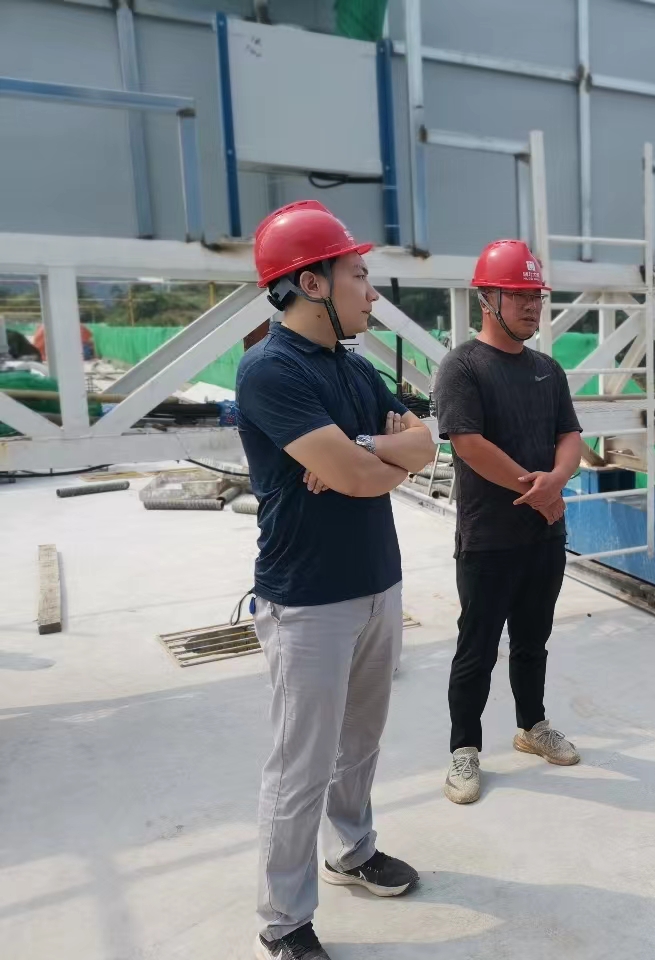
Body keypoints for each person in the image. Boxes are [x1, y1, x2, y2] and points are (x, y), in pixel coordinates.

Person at [236, 200, 436, 960]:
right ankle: (284, 919)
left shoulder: (354, 367)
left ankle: (351, 850)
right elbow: (363, 473)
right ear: (311, 283)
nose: (371, 292)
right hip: (307, 599)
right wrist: (369, 461)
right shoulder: (269, 370)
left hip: (378, 581)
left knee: (360, 741)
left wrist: (362, 455)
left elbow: (425, 446)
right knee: (301, 764)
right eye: (358, 275)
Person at [432, 238, 585, 805]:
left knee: (533, 639)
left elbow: (569, 435)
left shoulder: (548, 369)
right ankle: (464, 748)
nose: (530, 306)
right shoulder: (463, 366)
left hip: (544, 536)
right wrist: (538, 492)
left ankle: (531, 725)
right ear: (486, 299)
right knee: (476, 647)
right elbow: (468, 444)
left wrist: (557, 481)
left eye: (535, 296)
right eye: (518, 295)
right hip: (489, 539)